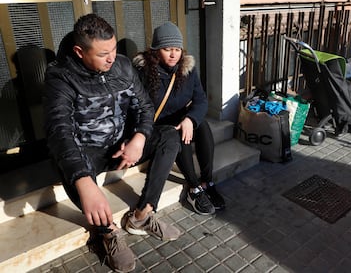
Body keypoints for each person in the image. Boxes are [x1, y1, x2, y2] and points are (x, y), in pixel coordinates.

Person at [44, 14, 182, 273]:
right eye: (103, 53)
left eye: (114, 49)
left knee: (169, 136)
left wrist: (139, 138)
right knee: (67, 165)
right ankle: (107, 234)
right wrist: (84, 182)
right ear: (79, 51)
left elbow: (145, 107)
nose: (111, 58)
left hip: (123, 145)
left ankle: (143, 214)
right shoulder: (60, 77)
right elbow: (59, 132)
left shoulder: (122, 66)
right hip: (89, 152)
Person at [132, 21, 225, 216]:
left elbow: (200, 100)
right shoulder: (142, 73)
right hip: (155, 127)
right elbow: (137, 109)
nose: (174, 54)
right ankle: (193, 188)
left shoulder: (187, 70)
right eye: (167, 49)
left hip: (181, 118)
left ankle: (206, 181)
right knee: (177, 132)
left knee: (203, 126)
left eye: (177, 49)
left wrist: (191, 119)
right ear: (156, 50)